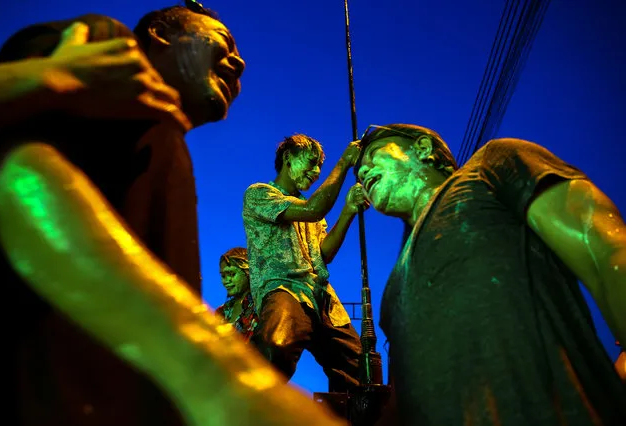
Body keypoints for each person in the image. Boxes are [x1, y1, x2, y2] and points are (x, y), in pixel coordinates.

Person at [0, 2, 246, 424]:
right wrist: (50, 77)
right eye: (224, 41)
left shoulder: (160, 148)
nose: (239, 60)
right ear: (160, 34)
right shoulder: (102, 41)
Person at [355, 123, 626, 425]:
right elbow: (404, 397)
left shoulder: (489, 166)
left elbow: (604, 249)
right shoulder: (392, 291)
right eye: (359, 171)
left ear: (423, 149)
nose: (363, 173)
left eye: (373, 156)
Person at [243, 133, 367, 392]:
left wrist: (348, 209)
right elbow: (314, 209)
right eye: (311, 162)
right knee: (273, 350)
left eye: (320, 166)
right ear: (288, 158)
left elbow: (325, 255)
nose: (317, 171)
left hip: (323, 299)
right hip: (284, 289)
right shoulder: (259, 194)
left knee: (360, 372)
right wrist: (344, 163)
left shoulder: (311, 211)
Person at [216, 247, 259, 341]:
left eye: (231, 274)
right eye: (223, 276)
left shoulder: (260, 307)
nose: (226, 281)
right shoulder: (221, 312)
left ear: (247, 272)